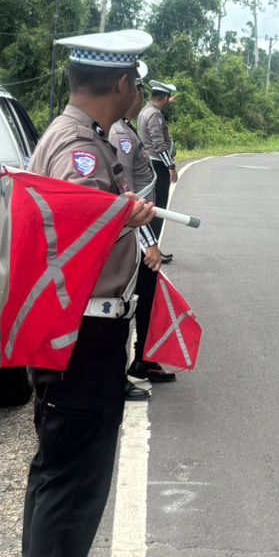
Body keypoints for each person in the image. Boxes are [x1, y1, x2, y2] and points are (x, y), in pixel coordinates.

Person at [17, 30, 156, 557]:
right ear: (122, 85)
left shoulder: (72, 137)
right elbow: (85, 239)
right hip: (84, 330)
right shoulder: (80, 150)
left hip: (75, 325)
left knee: (61, 467)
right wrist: (122, 219)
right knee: (74, 474)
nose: (137, 93)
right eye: (136, 83)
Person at [108, 65, 176, 398]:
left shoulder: (127, 128)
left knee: (139, 296)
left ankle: (143, 359)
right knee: (128, 301)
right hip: (129, 234)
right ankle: (134, 364)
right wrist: (149, 242)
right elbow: (128, 196)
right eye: (137, 87)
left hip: (133, 230)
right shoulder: (119, 135)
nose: (138, 95)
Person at [138, 80, 178, 263]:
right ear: (165, 98)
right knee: (158, 207)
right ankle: (153, 249)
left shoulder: (145, 111)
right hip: (158, 165)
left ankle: (150, 247)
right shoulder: (156, 115)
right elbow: (159, 144)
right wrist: (170, 166)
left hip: (149, 164)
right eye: (168, 99)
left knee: (150, 205)